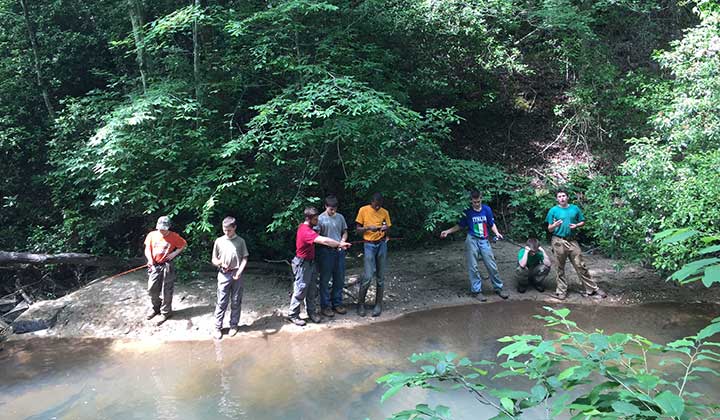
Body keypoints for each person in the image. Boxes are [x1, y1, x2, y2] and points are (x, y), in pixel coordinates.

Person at [288, 207, 351, 326]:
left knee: (311, 290)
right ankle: (293, 314)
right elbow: (324, 241)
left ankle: (311, 312)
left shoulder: (309, 228)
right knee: (300, 289)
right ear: (309, 219)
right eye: (316, 219)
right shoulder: (305, 231)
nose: (318, 221)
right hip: (303, 264)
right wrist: (339, 244)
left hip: (311, 263)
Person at [440, 190, 509, 301]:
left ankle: (498, 288)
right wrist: (448, 231)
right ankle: (477, 291)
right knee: (473, 266)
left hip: (484, 240)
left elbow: (491, 224)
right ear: (471, 201)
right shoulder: (467, 211)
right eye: (474, 202)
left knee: (491, 265)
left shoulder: (487, 209)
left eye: (478, 201)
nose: (476, 204)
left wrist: (497, 233)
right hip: (472, 239)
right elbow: (460, 225)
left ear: (481, 199)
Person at [546, 189, 607, 300]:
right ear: (557, 199)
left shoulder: (574, 208)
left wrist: (576, 225)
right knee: (560, 267)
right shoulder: (553, 210)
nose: (562, 198)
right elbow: (549, 229)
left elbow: (582, 221)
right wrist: (554, 225)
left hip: (572, 240)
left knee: (580, 265)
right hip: (558, 241)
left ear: (567, 197)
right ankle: (561, 291)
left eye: (564, 196)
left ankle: (592, 289)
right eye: (559, 197)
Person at [210, 216, 249, 339]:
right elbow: (213, 259)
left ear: (234, 228)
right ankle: (217, 327)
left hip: (237, 274)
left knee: (236, 301)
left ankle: (233, 325)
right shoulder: (219, 241)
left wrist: (240, 271)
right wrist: (220, 263)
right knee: (221, 302)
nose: (226, 232)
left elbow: (245, 258)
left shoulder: (240, 241)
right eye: (224, 230)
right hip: (223, 274)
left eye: (229, 230)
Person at [144, 216, 187, 325]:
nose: (162, 230)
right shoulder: (152, 235)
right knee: (152, 289)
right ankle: (156, 308)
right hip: (154, 265)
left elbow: (183, 244)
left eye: (164, 228)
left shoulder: (174, 236)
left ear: (168, 227)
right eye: (160, 228)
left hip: (167, 266)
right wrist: (150, 260)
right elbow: (147, 249)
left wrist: (174, 253)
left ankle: (166, 312)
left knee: (166, 290)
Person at [355, 192, 392, 317]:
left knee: (381, 277)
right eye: (376, 205)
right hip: (369, 244)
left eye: (379, 206)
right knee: (368, 276)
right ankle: (360, 304)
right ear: (372, 202)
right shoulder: (363, 210)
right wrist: (368, 228)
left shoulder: (385, 212)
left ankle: (378, 304)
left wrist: (385, 229)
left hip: (381, 244)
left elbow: (389, 228)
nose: (377, 208)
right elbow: (357, 229)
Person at [316, 195, 349, 317]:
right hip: (325, 252)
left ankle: (337, 303)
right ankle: (325, 306)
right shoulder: (320, 219)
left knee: (339, 278)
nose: (333, 210)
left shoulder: (340, 217)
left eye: (335, 208)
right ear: (325, 206)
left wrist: (342, 241)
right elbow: (317, 237)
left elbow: (345, 231)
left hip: (339, 251)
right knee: (325, 280)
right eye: (331, 209)